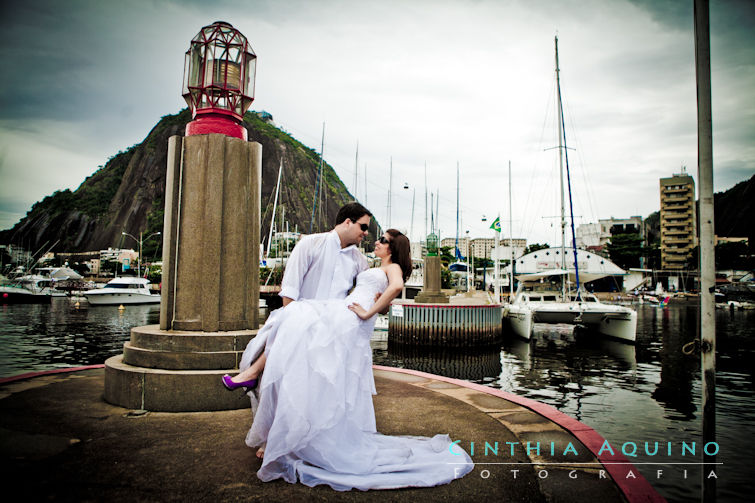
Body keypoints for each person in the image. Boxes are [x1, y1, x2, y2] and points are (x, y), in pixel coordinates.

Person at [227, 229, 473, 490]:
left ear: (392, 248)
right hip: (347, 311)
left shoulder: (394, 268)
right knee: (298, 334)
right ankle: (285, 415)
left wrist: (369, 313)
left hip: (353, 318)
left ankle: (258, 382)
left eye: (383, 240)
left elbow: (398, 287)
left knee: (296, 322)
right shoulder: (375, 265)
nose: (376, 242)